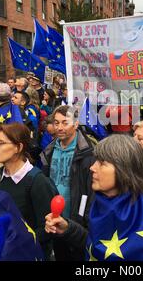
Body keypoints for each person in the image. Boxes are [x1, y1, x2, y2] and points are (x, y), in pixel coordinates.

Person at [45, 135, 143, 261]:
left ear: (124, 170)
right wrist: (68, 229)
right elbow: (98, 245)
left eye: (102, 163)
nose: (92, 167)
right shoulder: (102, 199)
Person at [0, 123, 57, 260]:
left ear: (18, 147)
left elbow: (47, 230)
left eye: (0, 143)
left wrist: (16, 243)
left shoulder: (37, 182)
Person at [39, 105, 95, 260]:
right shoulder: (48, 151)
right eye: (56, 123)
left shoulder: (88, 153)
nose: (59, 127)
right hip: (54, 218)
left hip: (77, 221)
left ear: (76, 124)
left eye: (65, 122)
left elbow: (91, 192)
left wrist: (85, 221)